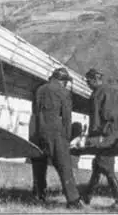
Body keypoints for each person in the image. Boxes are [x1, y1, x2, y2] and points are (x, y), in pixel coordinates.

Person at [30, 67, 83, 209]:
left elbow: (34, 113)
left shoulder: (39, 90)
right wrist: (66, 137)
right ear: (63, 81)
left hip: (38, 132)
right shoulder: (63, 92)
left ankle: (38, 196)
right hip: (56, 135)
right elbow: (66, 118)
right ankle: (73, 201)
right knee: (65, 167)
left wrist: (34, 134)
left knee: (39, 167)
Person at [81, 68, 118, 208]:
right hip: (114, 133)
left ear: (95, 80)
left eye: (88, 81)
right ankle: (86, 198)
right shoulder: (111, 91)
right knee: (98, 166)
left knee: (106, 168)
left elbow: (97, 118)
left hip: (104, 135)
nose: (87, 84)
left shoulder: (97, 94)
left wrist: (95, 136)